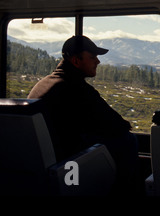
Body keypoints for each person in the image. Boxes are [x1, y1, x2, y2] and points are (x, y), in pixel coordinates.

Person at [28, 35, 140, 195]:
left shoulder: (44, 84)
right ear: (76, 61)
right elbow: (119, 126)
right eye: (92, 57)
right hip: (66, 161)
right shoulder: (76, 89)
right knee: (128, 140)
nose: (98, 61)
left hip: (44, 160)